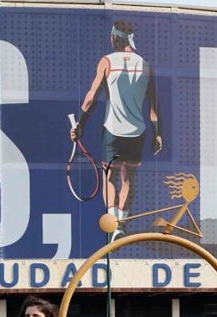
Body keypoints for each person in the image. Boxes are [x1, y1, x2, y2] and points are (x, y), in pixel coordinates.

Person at [70, 19, 162, 238]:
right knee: (128, 179)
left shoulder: (107, 62)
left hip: (113, 132)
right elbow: (154, 107)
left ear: (115, 38)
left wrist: (80, 125)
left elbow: (91, 97)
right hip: (137, 133)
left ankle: (113, 224)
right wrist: (158, 134)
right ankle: (122, 223)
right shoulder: (146, 65)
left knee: (110, 179)